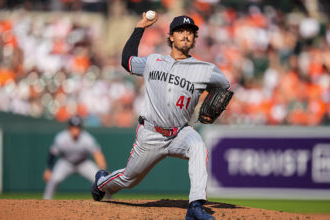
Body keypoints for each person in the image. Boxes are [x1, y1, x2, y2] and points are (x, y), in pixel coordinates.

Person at [91, 12, 230, 220]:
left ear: (194, 38)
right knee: (129, 179)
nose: (185, 35)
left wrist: (213, 99)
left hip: (180, 133)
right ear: (171, 36)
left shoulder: (206, 70)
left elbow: (224, 88)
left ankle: (196, 205)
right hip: (151, 134)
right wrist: (140, 27)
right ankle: (102, 182)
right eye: (180, 31)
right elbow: (126, 61)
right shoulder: (154, 61)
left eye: (190, 32)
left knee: (198, 146)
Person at [43, 116, 107, 199]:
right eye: (73, 127)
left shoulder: (86, 138)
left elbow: (97, 154)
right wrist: (48, 169)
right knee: (54, 179)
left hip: (83, 163)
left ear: (81, 128)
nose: (75, 129)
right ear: (69, 128)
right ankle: (45, 201)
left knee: (102, 180)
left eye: (77, 127)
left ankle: (109, 200)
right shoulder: (61, 138)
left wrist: (103, 169)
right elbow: (53, 153)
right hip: (66, 162)